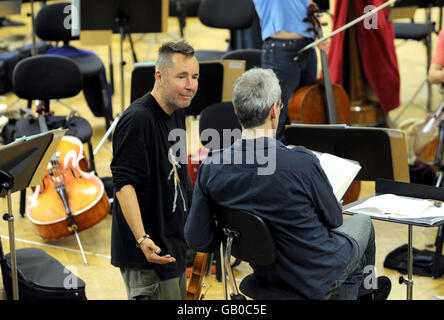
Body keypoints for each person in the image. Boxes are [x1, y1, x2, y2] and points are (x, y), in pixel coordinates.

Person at [184, 68, 391, 300]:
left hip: (267, 273)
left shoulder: (211, 167)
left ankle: (362, 288)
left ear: (236, 111)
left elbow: (197, 238)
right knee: (363, 223)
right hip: (318, 271)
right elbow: (334, 219)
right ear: (275, 110)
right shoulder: (300, 162)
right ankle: (368, 291)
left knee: (347, 268)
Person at [110, 41, 199, 300]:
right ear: (159, 76)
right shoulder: (137, 120)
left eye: (194, 77)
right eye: (181, 76)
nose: (190, 85)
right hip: (149, 257)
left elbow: (179, 174)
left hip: (173, 246)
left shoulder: (177, 109)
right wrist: (142, 238)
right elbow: (123, 184)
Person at [253, 0, 329, 141]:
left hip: (308, 48)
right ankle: (275, 160)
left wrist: (318, 33)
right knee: (277, 119)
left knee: (305, 114)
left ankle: (301, 158)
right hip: (280, 51)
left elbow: (307, 7)